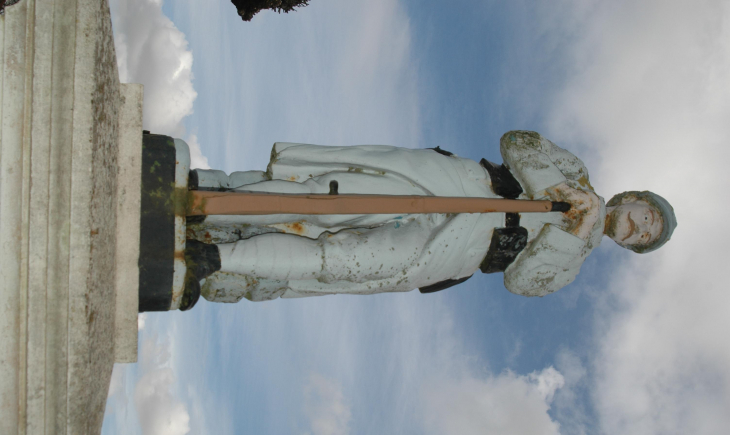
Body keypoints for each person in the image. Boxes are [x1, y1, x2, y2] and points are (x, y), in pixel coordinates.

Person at [180, 131, 676, 309]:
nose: (639, 228)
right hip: (456, 187)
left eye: (645, 237)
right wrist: (559, 190)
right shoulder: (575, 171)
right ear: (632, 198)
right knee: (332, 197)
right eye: (646, 216)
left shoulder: (570, 268)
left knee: (343, 262)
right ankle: (216, 196)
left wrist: (576, 234)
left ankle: (216, 256)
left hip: (460, 249)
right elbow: (518, 143)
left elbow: (523, 281)